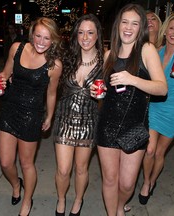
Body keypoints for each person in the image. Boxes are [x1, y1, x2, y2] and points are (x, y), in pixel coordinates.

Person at [90, 4, 167, 216]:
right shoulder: (109, 55)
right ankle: (113, 213)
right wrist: (99, 92)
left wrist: (132, 79)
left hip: (135, 126)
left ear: (141, 27)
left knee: (126, 185)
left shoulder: (146, 50)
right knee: (110, 179)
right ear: (118, 25)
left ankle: (118, 204)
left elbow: (162, 88)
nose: (128, 27)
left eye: (134, 23)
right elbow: (106, 91)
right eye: (124, 22)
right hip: (107, 125)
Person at [0, 17, 63, 216]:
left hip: (31, 115)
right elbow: (6, 74)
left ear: (53, 40)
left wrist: (49, 116)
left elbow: (51, 93)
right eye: (38, 36)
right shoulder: (17, 48)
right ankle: (16, 185)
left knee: (27, 163)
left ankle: (27, 201)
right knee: (6, 162)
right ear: (31, 34)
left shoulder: (54, 65)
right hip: (9, 109)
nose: (42, 41)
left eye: (47, 38)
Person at [139, 13, 174, 205]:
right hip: (154, 106)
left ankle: (153, 180)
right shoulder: (157, 50)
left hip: (173, 109)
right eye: (172, 28)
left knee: (159, 153)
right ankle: (146, 182)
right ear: (165, 30)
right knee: (149, 150)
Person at [53, 14, 104, 216]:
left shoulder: (105, 62)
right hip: (64, 119)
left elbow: (115, 93)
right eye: (81, 32)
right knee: (63, 169)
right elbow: (50, 86)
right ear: (75, 35)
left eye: (90, 32)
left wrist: (104, 95)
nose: (85, 37)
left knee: (81, 168)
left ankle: (78, 199)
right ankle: (61, 199)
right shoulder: (66, 59)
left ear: (97, 35)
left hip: (89, 121)